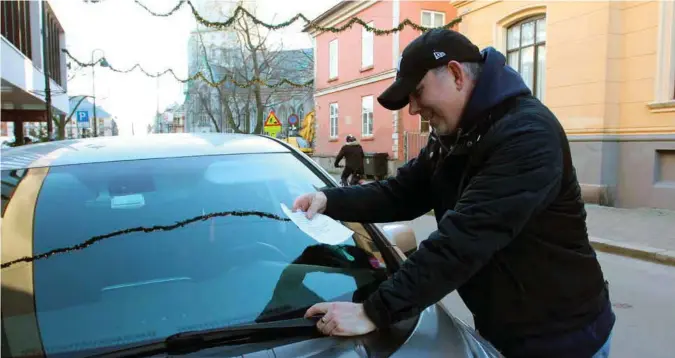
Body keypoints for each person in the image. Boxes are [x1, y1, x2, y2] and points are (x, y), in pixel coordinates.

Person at [293, 29, 615, 357]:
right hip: (503, 328)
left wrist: (374, 311)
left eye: (418, 92)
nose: (414, 109)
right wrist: (331, 200)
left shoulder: (527, 135)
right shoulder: (455, 135)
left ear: (456, 74)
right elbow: (400, 193)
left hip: (562, 336)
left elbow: (464, 239)